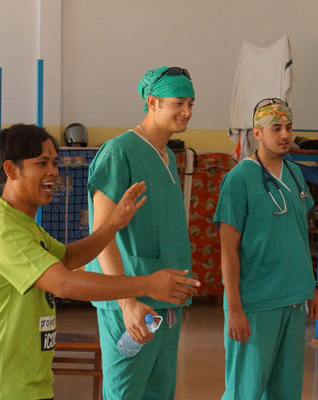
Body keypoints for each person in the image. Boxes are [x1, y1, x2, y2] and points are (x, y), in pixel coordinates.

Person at [0, 124, 200, 400]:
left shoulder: (23, 224)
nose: (53, 172)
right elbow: (63, 282)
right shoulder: (4, 231)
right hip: (0, 389)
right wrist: (145, 285)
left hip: (27, 384)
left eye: (54, 162)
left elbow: (69, 258)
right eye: (41, 163)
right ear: (11, 170)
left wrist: (112, 225)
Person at [86, 66, 195, 399]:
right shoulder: (119, 152)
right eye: (178, 103)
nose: (187, 112)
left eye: (191, 103)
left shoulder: (167, 156)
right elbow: (101, 235)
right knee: (126, 391)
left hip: (165, 299)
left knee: (158, 391)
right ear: (153, 102)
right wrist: (126, 301)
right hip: (130, 301)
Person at [214, 98, 318, 400]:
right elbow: (228, 251)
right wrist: (234, 308)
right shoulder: (238, 180)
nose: (285, 134)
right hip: (256, 303)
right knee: (245, 391)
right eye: (276, 128)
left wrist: (311, 289)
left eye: (289, 127)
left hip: (292, 298)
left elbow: (300, 237)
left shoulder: (296, 174)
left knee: (286, 391)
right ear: (258, 133)